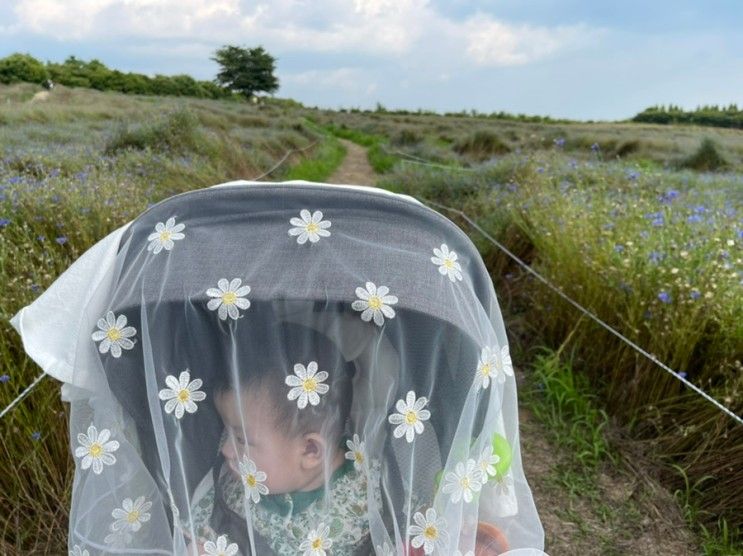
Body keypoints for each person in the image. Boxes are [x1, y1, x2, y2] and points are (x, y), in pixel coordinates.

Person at [179, 320, 378, 555]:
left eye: (242, 439)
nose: (225, 450)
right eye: (228, 433)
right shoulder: (239, 482)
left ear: (310, 451)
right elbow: (214, 523)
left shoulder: (355, 510)